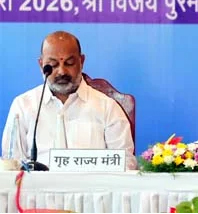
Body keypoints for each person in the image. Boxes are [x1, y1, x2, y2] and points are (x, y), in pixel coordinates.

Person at [1, 30, 137, 169]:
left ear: (81, 61)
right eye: (53, 65)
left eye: (69, 63)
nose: (61, 71)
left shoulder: (107, 108)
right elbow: (11, 163)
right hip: (37, 183)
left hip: (93, 182)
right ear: (41, 64)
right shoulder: (23, 106)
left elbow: (126, 163)